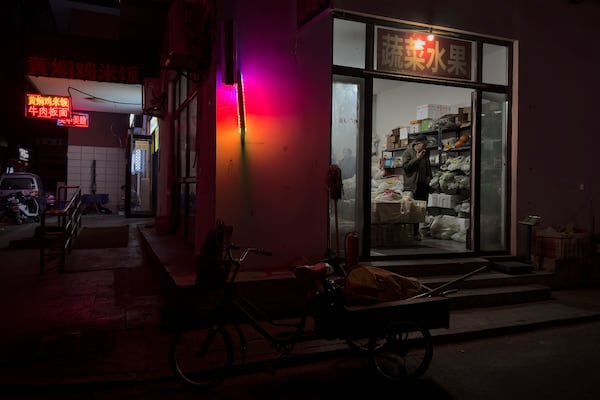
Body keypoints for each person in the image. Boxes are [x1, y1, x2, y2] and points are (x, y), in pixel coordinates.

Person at [401, 134, 433, 240]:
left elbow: (428, 166)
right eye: (423, 144)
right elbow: (406, 167)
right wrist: (417, 158)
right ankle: (411, 232)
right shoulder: (408, 153)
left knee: (421, 210)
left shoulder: (425, 153)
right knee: (412, 209)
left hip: (423, 185)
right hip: (412, 185)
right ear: (417, 144)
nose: (425, 147)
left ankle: (416, 231)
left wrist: (429, 176)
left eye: (426, 145)